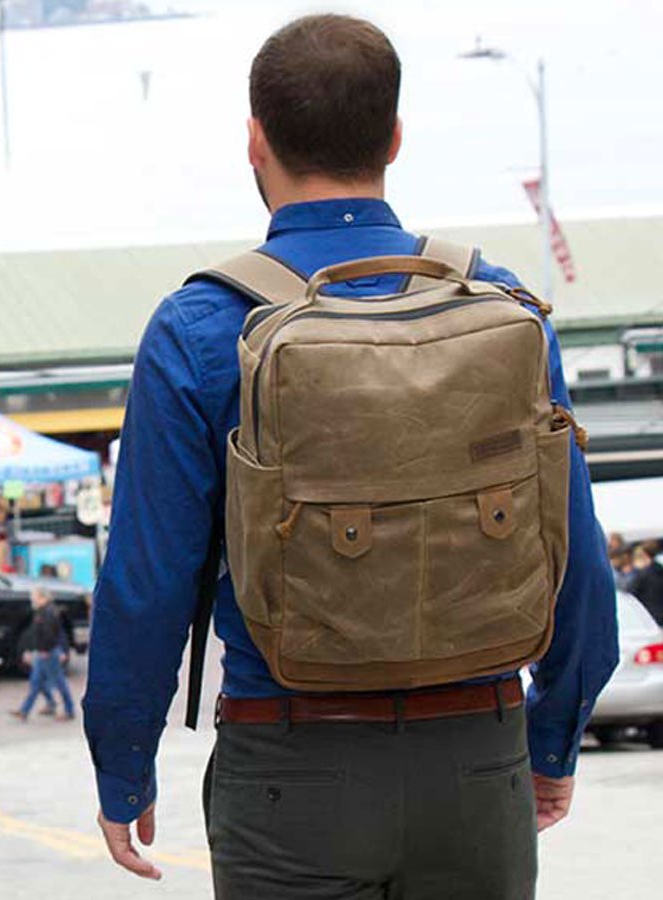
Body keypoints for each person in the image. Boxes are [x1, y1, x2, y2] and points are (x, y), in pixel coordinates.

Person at [82, 14, 618, 898]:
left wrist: (124, 764)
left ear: (255, 140)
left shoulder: (202, 327)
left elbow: (147, 580)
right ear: (395, 137)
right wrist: (553, 741)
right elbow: (574, 558)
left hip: (290, 763)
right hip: (477, 756)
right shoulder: (501, 309)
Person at [11, 587, 75, 722]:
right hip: (43, 652)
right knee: (36, 682)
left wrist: (46, 650)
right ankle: (26, 710)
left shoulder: (49, 613)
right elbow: (37, 635)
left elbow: (52, 635)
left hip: (49, 653)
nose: (32, 599)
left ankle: (69, 710)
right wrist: (32, 650)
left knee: (58, 682)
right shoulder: (41, 612)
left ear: (43, 598)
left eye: (35, 596)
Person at [630, 544, 663, 625]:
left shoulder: (643, 575)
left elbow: (631, 595)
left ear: (645, 555)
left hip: (648, 616)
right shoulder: (659, 571)